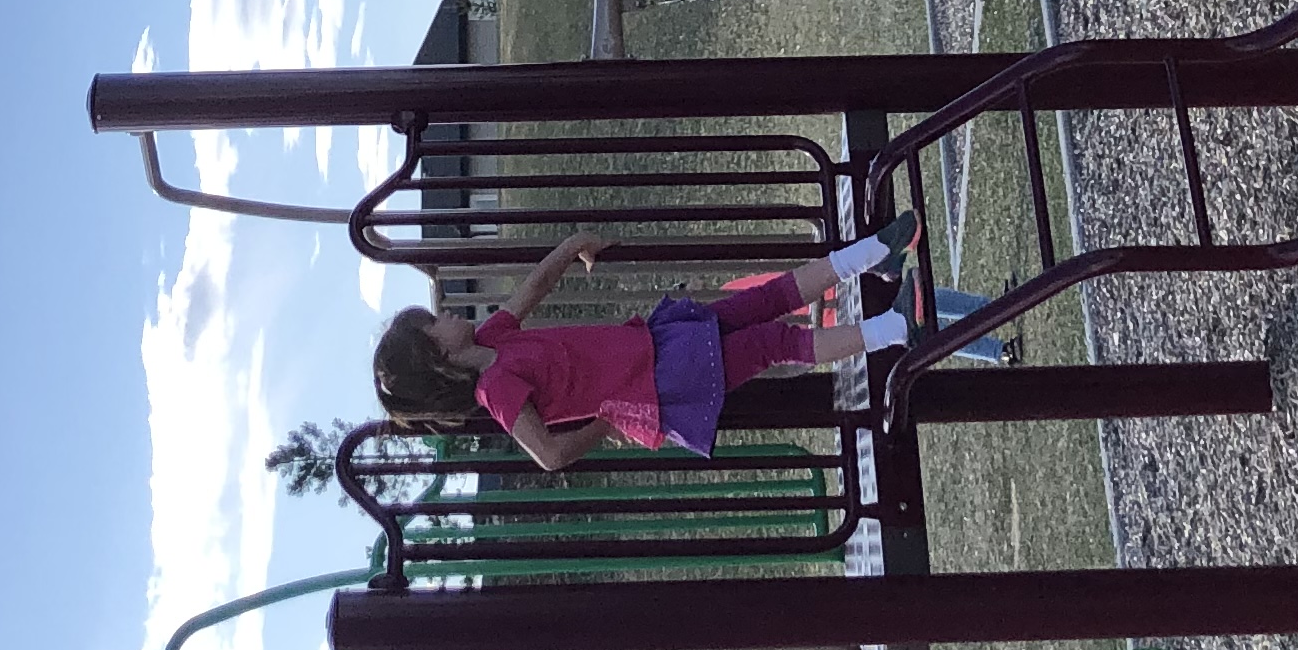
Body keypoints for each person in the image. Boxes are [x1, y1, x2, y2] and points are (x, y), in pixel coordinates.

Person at [373, 218, 924, 467]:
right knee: (772, 343)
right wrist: (610, 421)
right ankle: (895, 328)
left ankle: (877, 251)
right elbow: (550, 456)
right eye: (434, 323)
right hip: (657, 380)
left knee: (766, 300)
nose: (444, 315)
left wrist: (570, 247)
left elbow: (531, 289)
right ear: (439, 357)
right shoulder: (498, 390)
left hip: (657, 343)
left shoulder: (495, 337)